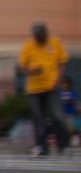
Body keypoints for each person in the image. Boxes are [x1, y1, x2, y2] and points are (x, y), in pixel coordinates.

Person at [18, 21, 71, 155]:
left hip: (52, 87)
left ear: (46, 33)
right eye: (37, 37)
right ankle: (41, 146)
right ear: (34, 36)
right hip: (34, 90)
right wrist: (31, 70)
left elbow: (62, 62)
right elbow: (22, 67)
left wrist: (58, 81)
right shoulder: (29, 45)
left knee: (58, 116)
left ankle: (63, 146)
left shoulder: (55, 42)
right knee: (38, 117)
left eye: (42, 36)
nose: (40, 39)